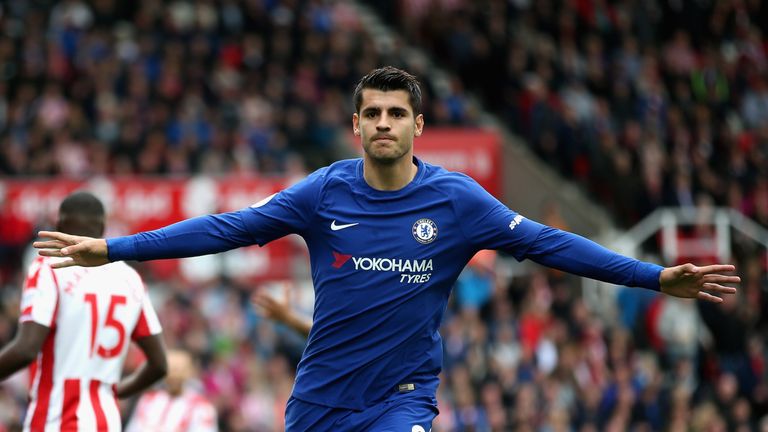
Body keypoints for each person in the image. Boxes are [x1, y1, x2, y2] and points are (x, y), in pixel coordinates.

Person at [34, 67, 740, 431]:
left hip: (400, 401)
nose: (382, 123)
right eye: (371, 113)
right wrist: (115, 248)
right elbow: (227, 228)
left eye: (396, 113)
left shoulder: (459, 202)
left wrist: (653, 278)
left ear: (418, 125)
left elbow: (550, 245)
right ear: (355, 124)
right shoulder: (323, 192)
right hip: (317, 401)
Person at [0, 191, 167, 431]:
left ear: (59, 224)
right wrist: (109, 392)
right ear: (103, 228)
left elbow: (26, 349)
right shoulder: (130, 279)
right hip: (106, 421)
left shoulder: (49, 266)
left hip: (55, 420)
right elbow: (159, 365)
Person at [125, 349, 217, 432]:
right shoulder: (148, 400)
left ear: (189, 372)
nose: (174, 375)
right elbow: (134, 428)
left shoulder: (201, 407)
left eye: (179, 370)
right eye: (171, 369)